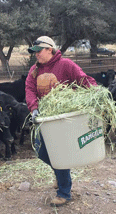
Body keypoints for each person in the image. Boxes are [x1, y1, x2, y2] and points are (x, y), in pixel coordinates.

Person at [25, 36, 97, 207]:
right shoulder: (34, 70)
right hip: (45, 118)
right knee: (41, 150)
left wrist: (96, 95)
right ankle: (60, 173)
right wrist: (34, 108)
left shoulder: (66, 65)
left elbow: (85, 81)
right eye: (34, 52)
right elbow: (29, 88)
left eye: (39, 51)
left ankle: (64, 192)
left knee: (59, 154)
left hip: (63, 118)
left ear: (50, 49)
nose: (36, 55)